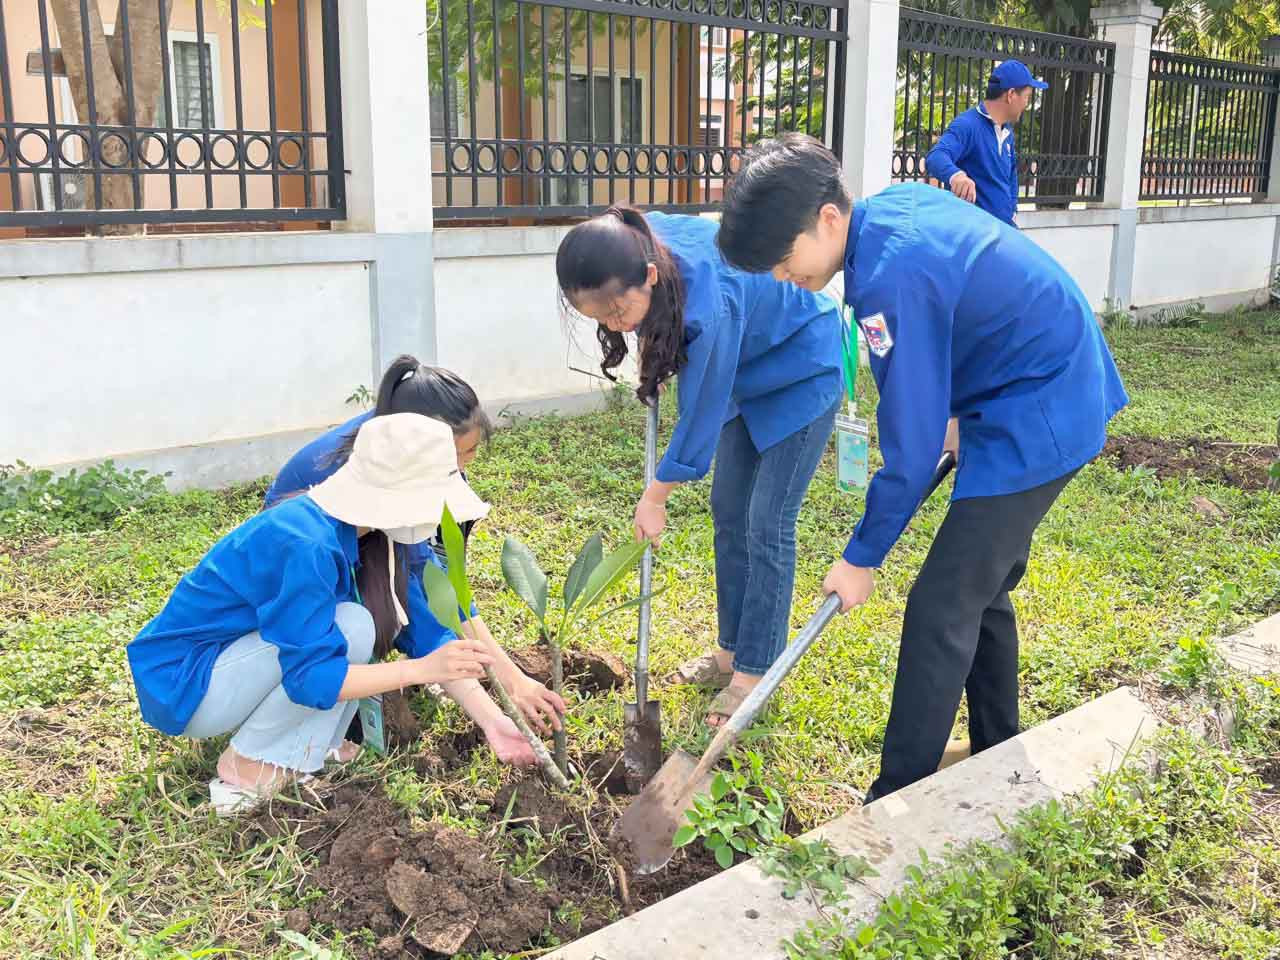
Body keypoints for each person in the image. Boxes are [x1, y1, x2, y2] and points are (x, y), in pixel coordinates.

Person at [716, 134, 1128, 800]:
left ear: (826, 219)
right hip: (1019, 391)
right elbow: (959, 319)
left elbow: (908, 454)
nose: (781, 279)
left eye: (782, 260)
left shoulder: (888, 278)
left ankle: (895, 798)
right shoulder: (887, 219)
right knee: (980, 590)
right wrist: (955, 413)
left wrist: (860, 557)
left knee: (941, 606)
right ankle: (999, 746)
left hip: (1041, 408)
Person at [128, 415, 527, 815]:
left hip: (234, 663)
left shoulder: (369, 533)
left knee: (354, 624)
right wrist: (420, 671)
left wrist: (492, 721)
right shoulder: (306, 543)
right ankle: (246, 765)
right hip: (189, 684)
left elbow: (431, 634)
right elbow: (310, 677)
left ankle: (304, 748)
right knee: (349, 627)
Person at [556, 205, 842, 728]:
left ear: (648, 276)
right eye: (601, 320)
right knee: (729, 512)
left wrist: (655, 495)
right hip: (745, 374)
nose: (615, 326)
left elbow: (701, 413)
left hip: (802, 371)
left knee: (767, 524)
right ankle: (732, 653)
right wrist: (656, 338)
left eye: (619, 313)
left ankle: (755, 674)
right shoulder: (634, 239)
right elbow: (691, 353)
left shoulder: (711, 303)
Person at [265, 356, 565, 740]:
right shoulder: (347, 483)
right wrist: (503, 680)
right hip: (307, 580)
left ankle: (437, 671)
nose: (461, 470)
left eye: (469, 455)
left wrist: (508, 680)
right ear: (418, 447)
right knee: (374, 615)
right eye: (457, 457)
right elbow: (420, 581)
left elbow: (441, 583)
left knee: (417, 594)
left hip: (365, 552)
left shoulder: (412, 456)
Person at [924, 59, 1047, 227]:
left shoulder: (1007, 132)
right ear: (1011, 95)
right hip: (975, 239)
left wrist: (1011, 212)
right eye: (1027, 97)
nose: (1027, 104)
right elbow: (936, 156)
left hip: (1002, 234)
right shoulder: (968, 125)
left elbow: (1010, 176)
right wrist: (957, 176)